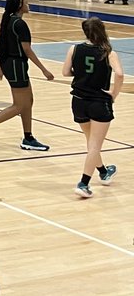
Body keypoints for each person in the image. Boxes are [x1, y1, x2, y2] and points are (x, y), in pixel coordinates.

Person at [0, 0, 54, 151]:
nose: (28, 5)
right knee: (19, 105)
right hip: (16, 65)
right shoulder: (19, 24)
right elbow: (27, 50)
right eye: (26, 2)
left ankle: (28, 137)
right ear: (19, 6)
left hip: (11, 63)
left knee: (28, 101)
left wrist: (2, 66)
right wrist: (44, 70)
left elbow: (4, 44)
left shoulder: (10, 20)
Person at [64, 18, 124, 198]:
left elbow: (66, 72)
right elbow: (120, 74)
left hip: (78, 101)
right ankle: (83, 183)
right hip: (98, 102)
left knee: (91, 143)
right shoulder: (108, 52)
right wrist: (114, 94)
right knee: (94, 146)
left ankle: (104, 172)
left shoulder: (74, 49)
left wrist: (82, 74)